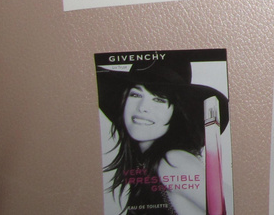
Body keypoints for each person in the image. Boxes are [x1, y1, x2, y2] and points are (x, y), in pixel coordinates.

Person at [96, 55, 229, 215]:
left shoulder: (173, 161)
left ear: (176, 112)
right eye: (136, 95)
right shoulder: (148, 164)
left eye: (159, 99)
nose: (142, 107)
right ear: (124, 100)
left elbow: (237, 205)